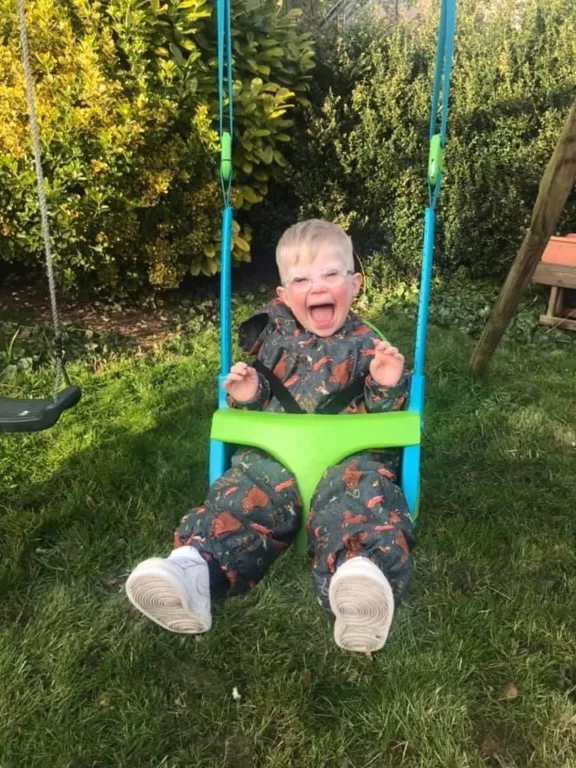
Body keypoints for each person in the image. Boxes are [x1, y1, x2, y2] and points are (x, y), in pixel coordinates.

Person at [126, 219, 415, 653]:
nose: (316, 286)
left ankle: (359, 579)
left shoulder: (369, 345)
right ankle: (195, 570)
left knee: (362, 495)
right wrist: (248, 393)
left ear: (355, 285)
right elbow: (263, 398)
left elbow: (387, 415)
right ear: (283, 294)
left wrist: (386, 383)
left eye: (330, 274)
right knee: (242, 494)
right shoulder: (272, 341)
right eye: (301, 279)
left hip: (349, 463)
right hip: (274, 465)